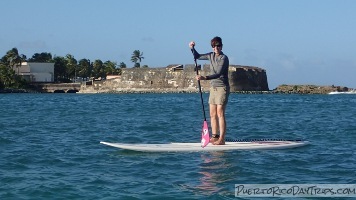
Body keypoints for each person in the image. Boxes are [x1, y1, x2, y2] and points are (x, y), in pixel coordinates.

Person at [189, 36, 230, 145]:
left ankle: (222, 139)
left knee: (220, 113)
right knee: (212, 113)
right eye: (213, 46)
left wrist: (204, 78)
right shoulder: (210, 55)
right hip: (213, 88)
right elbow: (197, 56)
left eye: (218, 46)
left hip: (222, 87)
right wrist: (192, 48)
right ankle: (214, 136)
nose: (216, 48)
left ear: (221, 46)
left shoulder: (224, 58)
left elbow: (219, 73)